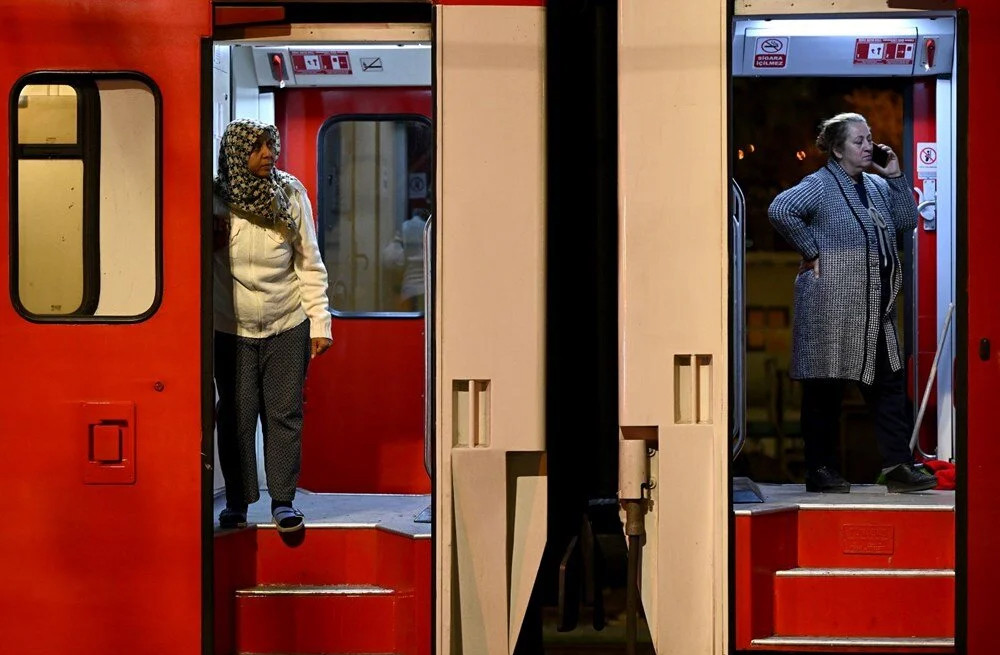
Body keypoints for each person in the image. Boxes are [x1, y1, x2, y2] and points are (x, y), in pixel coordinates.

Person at [768, 112, 937, 494]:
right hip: (833, 309)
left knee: (888, 387)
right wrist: (812, 249)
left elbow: (906, 220)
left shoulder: (876, 185)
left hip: (874, 311)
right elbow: (780, 208)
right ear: (837, 148)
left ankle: (896, 465)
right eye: (859, 141)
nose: (868, 146)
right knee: (824, 390)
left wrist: (895, 177)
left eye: (869, 139)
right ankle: (820, 470)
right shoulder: (821, 184)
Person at [213, 118, 333, 531]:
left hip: (287, 322)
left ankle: (283, 501)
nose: (269, 153)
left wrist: (320, 321)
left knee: (283, 413)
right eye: (258, 146)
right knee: (236, 416)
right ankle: (237, 502)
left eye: (271, 145)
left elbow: (309, 263)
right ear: (236, 152)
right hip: (231, 329)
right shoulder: (213, 200)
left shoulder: (291, 194)